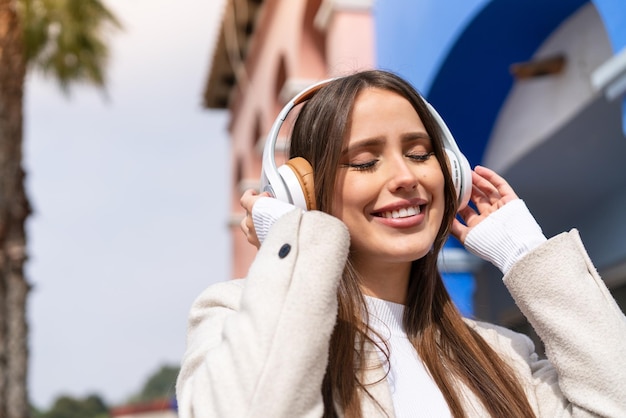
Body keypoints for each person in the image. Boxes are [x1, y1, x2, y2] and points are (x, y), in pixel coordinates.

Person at [176, 70, 626, 418]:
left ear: (451, 173)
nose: (407, 178)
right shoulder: (231, 317)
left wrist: (526, 253)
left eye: (418, 154)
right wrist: (295, 244)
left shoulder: (503, 355)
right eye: (365, 162)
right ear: (304, 192)